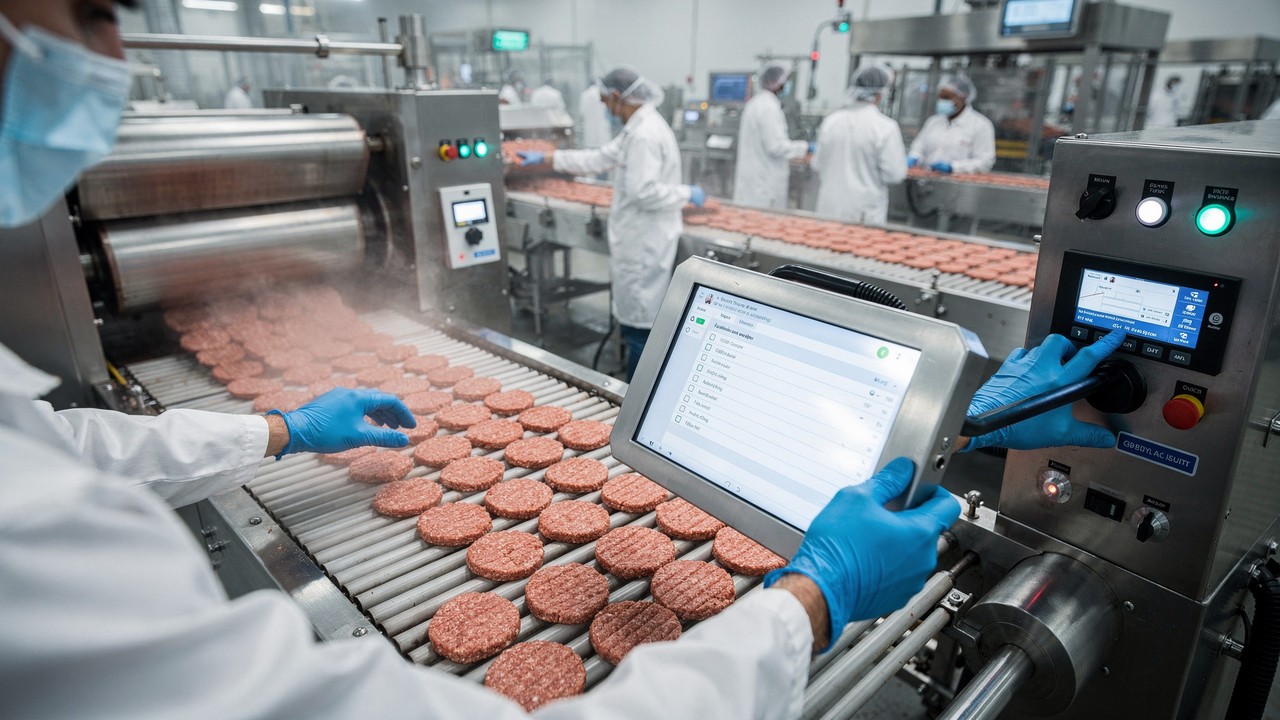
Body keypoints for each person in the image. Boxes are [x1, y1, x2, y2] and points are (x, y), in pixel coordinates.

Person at [0, 4, 1130, 715]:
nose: (109, 52)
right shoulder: (39, 551)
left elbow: (59, 441)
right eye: (91, 10)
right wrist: (810, 604)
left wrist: (281, 431)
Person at [515, 66, 706, 382]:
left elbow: (644, 192)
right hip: (639, 239)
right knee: (637, 323)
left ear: (618, 97)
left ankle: (634, 397)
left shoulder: (644, 134)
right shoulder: (638, 128)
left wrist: (688, 194)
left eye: (606, 102)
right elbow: (600, 157)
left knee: (639, 330)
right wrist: (549, 159)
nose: (606, 109)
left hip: (642, 244)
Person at [811, 64, 907, 225]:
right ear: (880, 94)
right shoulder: (885, 128)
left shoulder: (832, 121)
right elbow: (895, 174)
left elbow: (817, 164)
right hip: (863, 213)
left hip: (829, 209)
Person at [732, 62, 809, 210]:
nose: (788, 85)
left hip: (753, 183)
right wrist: (804, 148)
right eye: (786, 81)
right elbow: (776, 146)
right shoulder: (769, 108)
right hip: (764, 187)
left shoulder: (755, 104)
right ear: (776, 83)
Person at [907, 74, 996, 175]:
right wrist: (914, 157)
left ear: (964, 96)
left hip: (962, 186)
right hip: (929, 180)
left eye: (947, 98)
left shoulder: (981, 125)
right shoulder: (933, 122)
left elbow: (984, 162)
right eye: (940, 97)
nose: (942, 102)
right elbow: (918, 147)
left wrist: (953, 167)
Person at [577, 81, 613, 148]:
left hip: (590, 127)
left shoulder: (585, 95)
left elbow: (582, 112)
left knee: (590, 149)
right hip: (602, 126)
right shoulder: (603, 94)